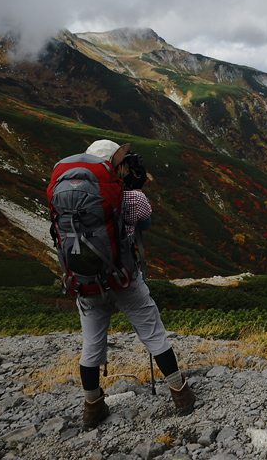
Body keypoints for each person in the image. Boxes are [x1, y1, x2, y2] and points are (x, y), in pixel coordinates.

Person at [73, 139, 196, 430]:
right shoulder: (130, 198)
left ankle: (92, 406)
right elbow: (145, 224)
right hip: (124, 279)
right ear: (114, 166)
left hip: (87, 282)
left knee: (91, 344)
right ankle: (180, 393)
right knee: (153, 332)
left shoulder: (69, 199)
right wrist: (133, 188)